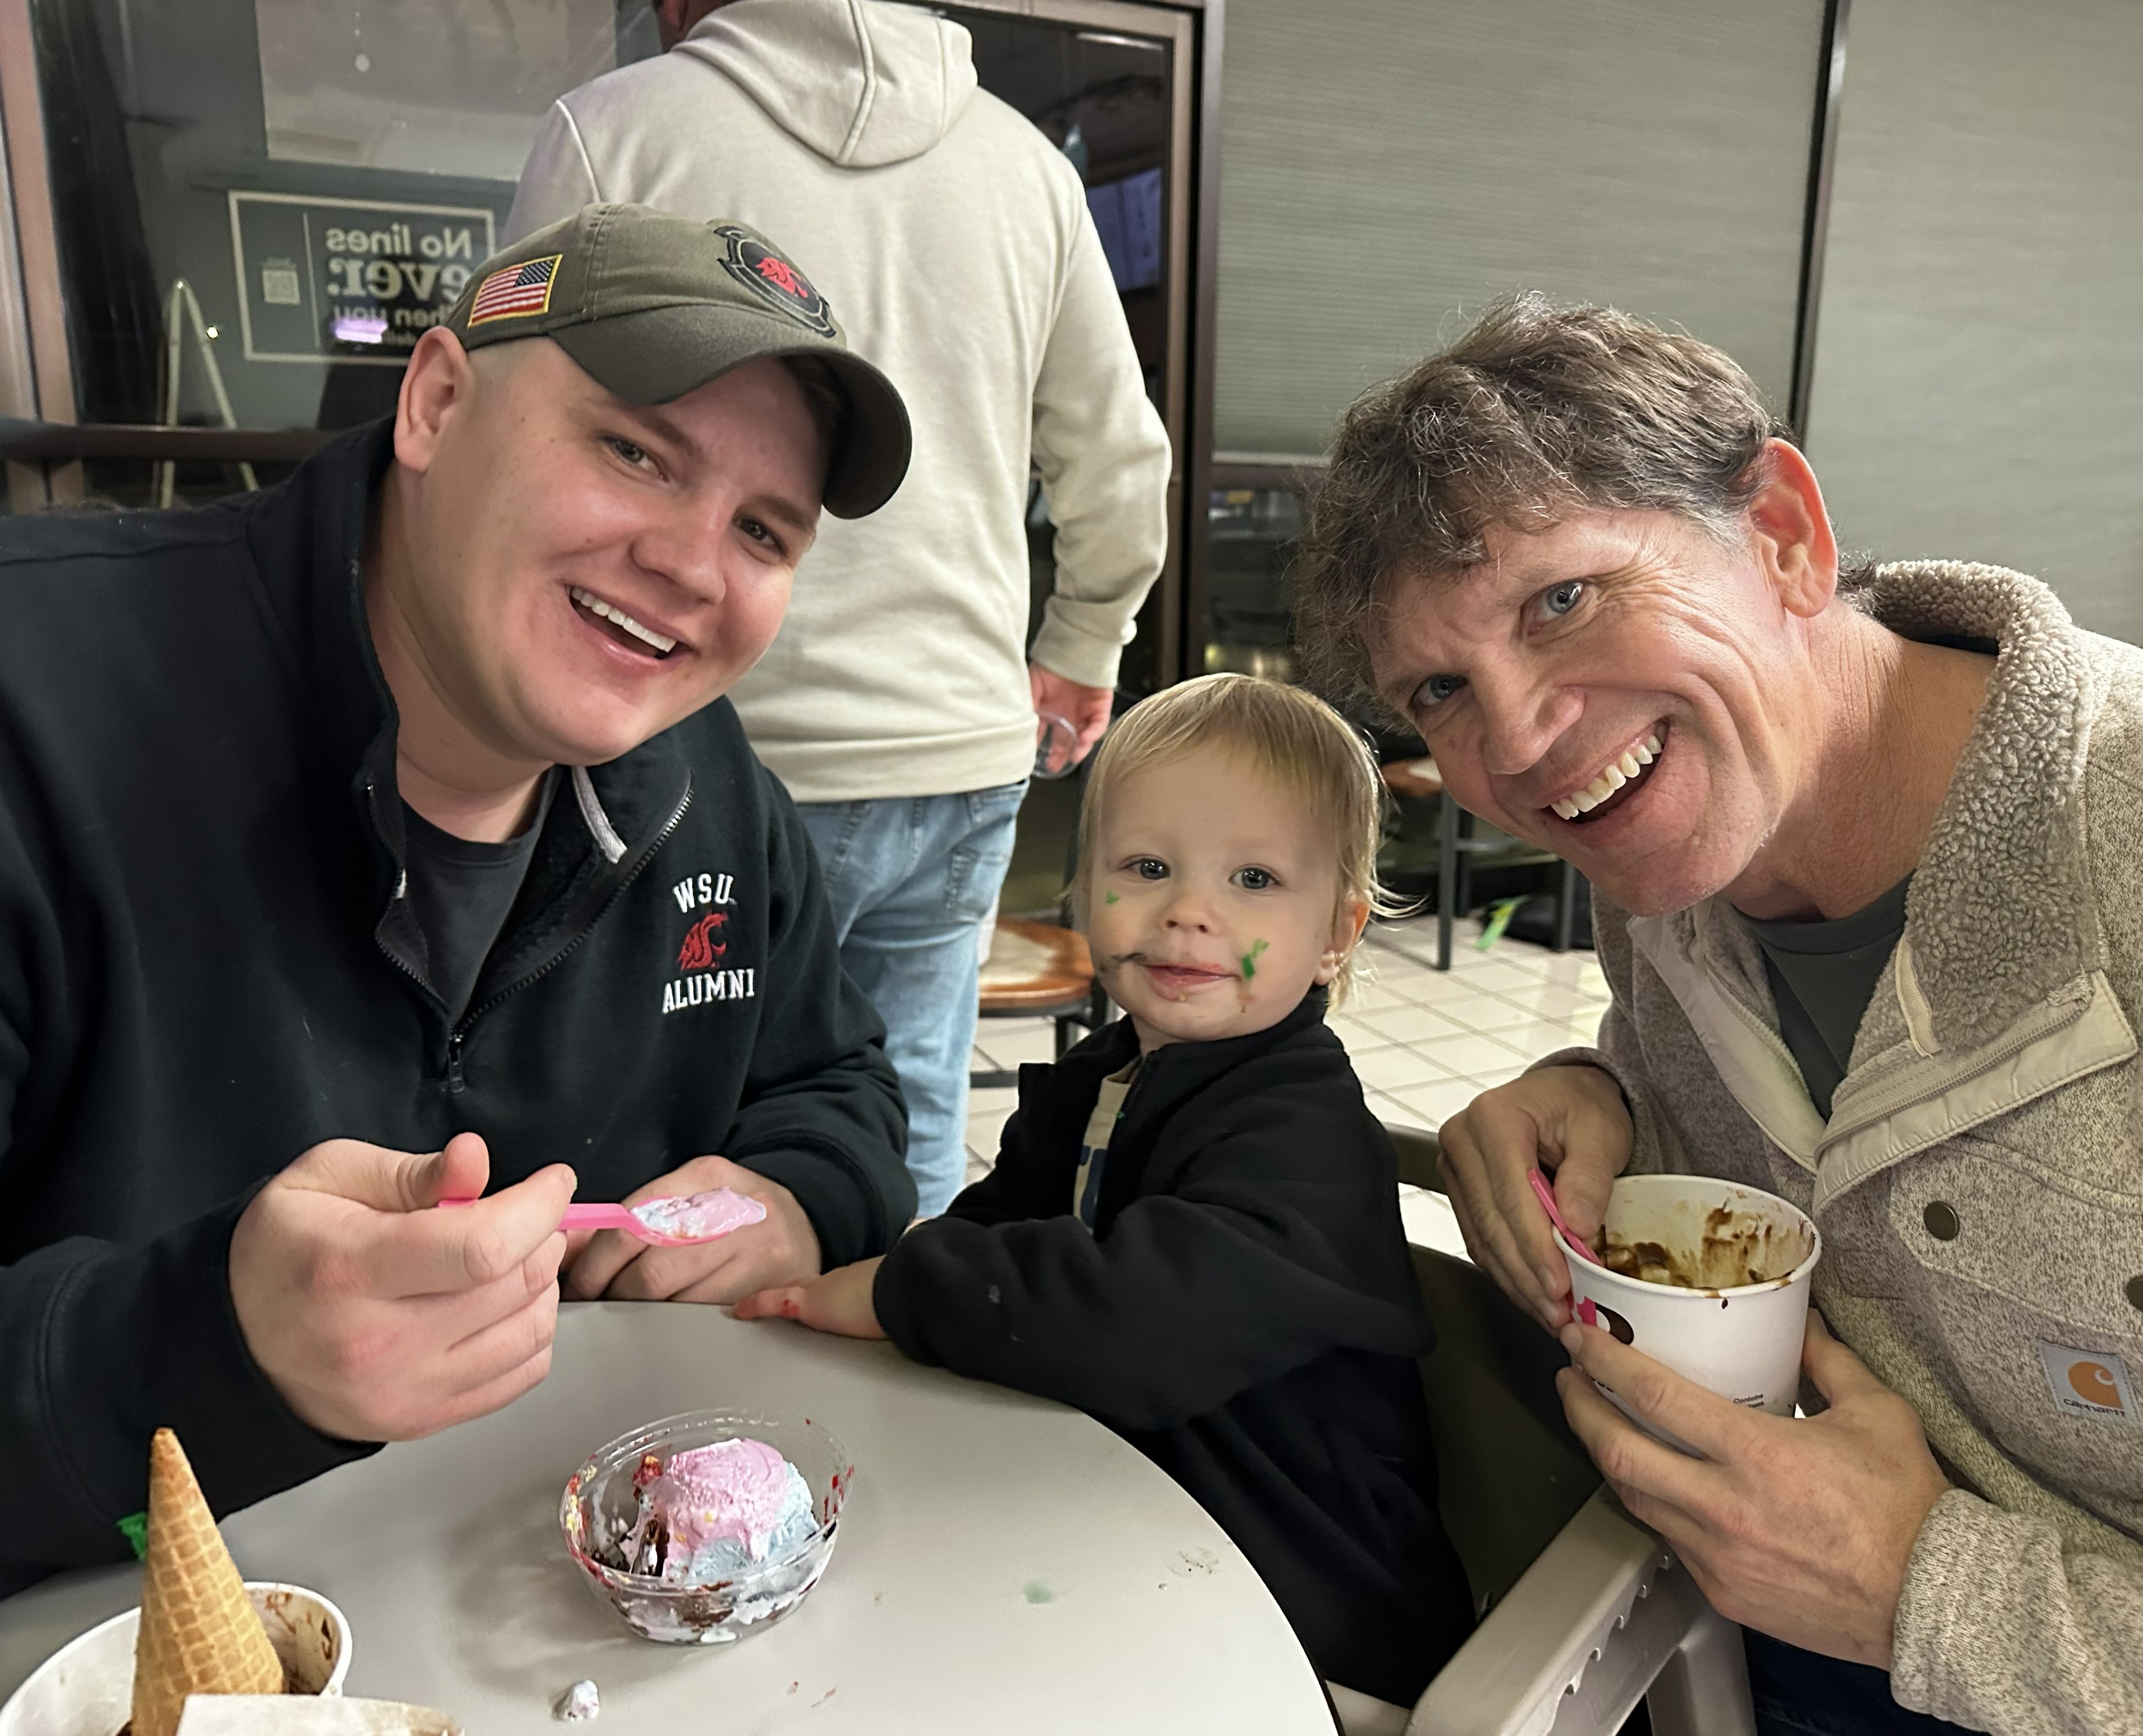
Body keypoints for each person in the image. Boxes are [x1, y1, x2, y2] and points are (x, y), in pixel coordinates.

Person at [1288, 296, 2143, 1736]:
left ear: (1781, 532)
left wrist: (1928, 1594)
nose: (1517, 745)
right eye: (1442, 690)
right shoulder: (1669, 857)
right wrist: (1605, 1096)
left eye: (1564, 599)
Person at [0, 204, 919, 1593]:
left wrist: (794, 1202)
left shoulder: (707, 786)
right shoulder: (41, 706)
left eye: (765, 530)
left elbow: (838, 1085)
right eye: (633, 451)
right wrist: (216, 1343)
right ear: (434, 403)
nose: (690, 565)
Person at [509, 0, 1174, 1214]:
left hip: (702, 752)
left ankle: (684, 1403)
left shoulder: (618, 130)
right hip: (958, 743)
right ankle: (878, 1382)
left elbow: (518, 422)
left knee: (667, 1134)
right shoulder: (1027, 169)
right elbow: (1121, 461)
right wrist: (1082, 648)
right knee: (905, 1112)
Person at [745, 674, 1474, 1706]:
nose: (1188, 913)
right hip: (1130, 1524)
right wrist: (908, 1276)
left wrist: (906, 1291)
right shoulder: (1104, 1074)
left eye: (1255, 879)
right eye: (1146, 866)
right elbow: (1003, 1219)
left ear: (1340, 932)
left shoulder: (1301, 1131)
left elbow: (1144, 1319)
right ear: (1084, 888)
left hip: (1309, 1622)